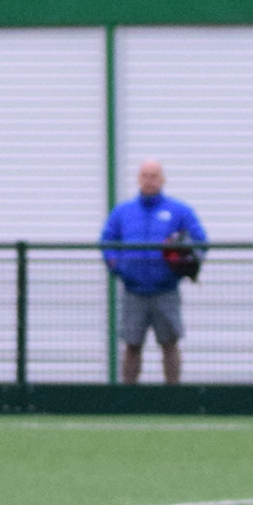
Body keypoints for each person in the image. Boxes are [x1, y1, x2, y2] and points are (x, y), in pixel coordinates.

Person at [99, 159, 206, 386]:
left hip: (166, 290)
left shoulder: (179, 211)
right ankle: (128, 396)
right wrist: (117, 266)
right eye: (145, 176)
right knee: (132, 344)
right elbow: (107, 240)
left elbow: (200, 241)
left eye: (154, 176)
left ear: (163, 179)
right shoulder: (123, 212)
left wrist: (186, 263)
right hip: (133, 290)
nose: (150, 181)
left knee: (169, 343)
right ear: (139, 179)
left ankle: (172, 395)